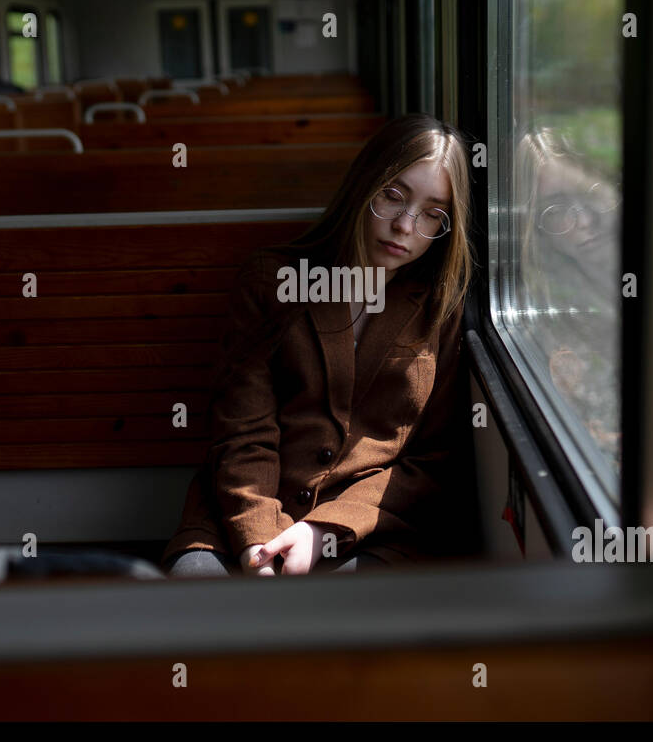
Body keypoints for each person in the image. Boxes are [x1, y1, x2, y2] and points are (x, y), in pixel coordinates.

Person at [162, 114, 477, 577]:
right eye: (393, 196)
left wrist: (324, 531)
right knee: (200, 605)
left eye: (432, 213)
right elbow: (241, 432)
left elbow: (431, 460)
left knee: (343, 622)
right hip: (237, 521)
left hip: (368, 531)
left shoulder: (443, 311)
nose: (406, 226)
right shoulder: (271, 282)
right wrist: (258, 539)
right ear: (364, 186)